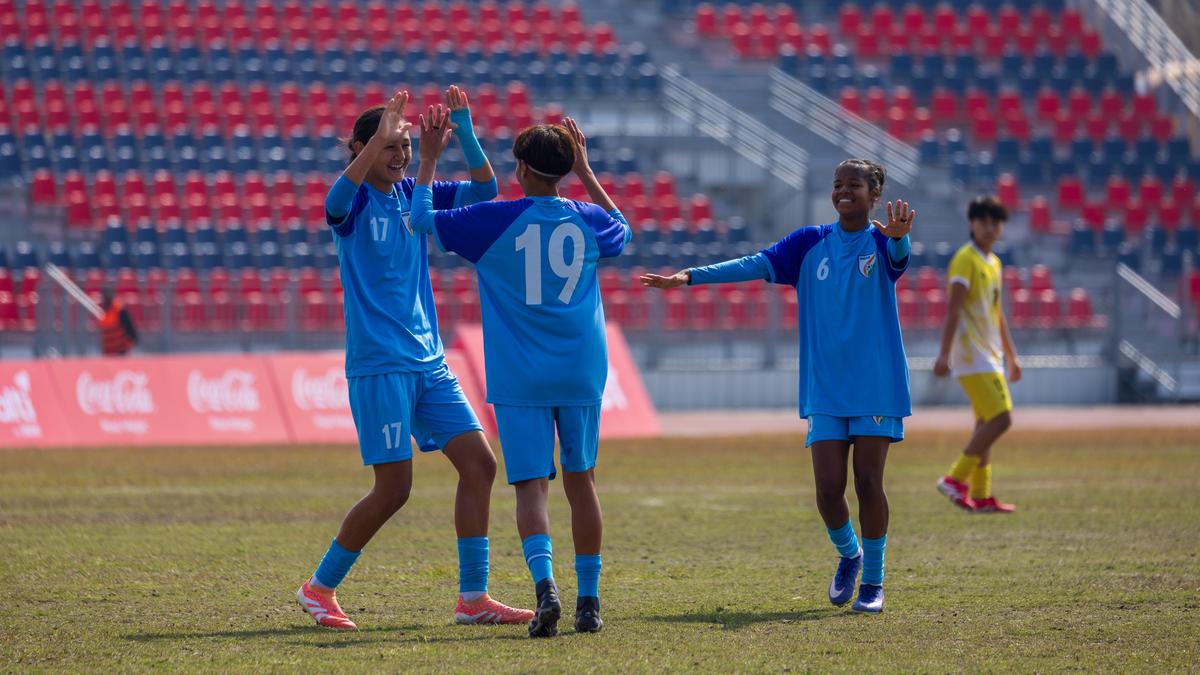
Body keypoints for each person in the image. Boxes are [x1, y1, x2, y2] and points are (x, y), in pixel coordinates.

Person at [296, 86, 533, 630]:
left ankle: (473, 599)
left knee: (480, 465)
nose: (400, 156)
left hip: (429, 362)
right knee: (394, 489)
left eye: (404, 145)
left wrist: (464, 133)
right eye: (389, 146)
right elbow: (332, 202)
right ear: (362, 147)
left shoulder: (413, 191)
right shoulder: (354, 201)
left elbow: (485, 188)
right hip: (381, 364)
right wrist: (387, 147)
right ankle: (319, 587)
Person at [641, 159, 914, 614]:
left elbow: (900, 260)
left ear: (875, 195)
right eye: (837, 183)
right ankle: (850, 555)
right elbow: (752, 264)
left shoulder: (884, 242)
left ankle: (873, 582)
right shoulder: (809, 243)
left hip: (876, 384)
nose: (843, 191)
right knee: (828, 490)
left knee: (868, 482)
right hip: (825, 387)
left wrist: (901, 235)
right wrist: (690, 276)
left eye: (854, 185)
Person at [410, 110, 630, 637]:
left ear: (526, 170)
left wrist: (430, 160)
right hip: (581, 371)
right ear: (562, 169)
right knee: (583, 482)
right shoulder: (588, 217)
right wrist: (588, 172)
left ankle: (545, 589)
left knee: (531, 488)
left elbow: (421, 218)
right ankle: (590, 602)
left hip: (520, 376)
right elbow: (622, 228)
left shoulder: (496, 220)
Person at [934, 196, 1020, 514]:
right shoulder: (965, 259)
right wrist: (944, 354)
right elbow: (954, 310)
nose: (990, 227)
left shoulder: (994, 263)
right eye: (983, 221)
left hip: (990, 354)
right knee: (1002, 418)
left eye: (995, 222)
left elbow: (997, 315)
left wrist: (1011, 356)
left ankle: (982, 496)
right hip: (971, 355)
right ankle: (955, 478)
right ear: (972, 224)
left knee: (985, 422)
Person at [98, 289, 137, 356]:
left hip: (120, 351)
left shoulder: (119, 310)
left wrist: (128, 345)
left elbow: (130, 329)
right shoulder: (104, 313)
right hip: (108, 352)